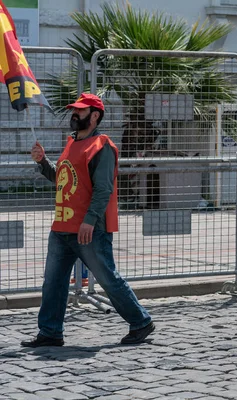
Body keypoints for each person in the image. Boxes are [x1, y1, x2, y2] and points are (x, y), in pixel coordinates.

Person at [21, 93, 154, 347]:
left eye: (80, 111)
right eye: (74, 110)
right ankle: (50, 332)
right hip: (62, 227)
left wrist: (90, 221)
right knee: (53, 282)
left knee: (108, 278)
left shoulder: (101, 146)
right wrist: (42, 162)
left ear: (94, 116)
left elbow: (104, 189)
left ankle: (141, 321)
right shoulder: (71, 142)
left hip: (88, 230)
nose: (74, 114)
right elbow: (63, 179)